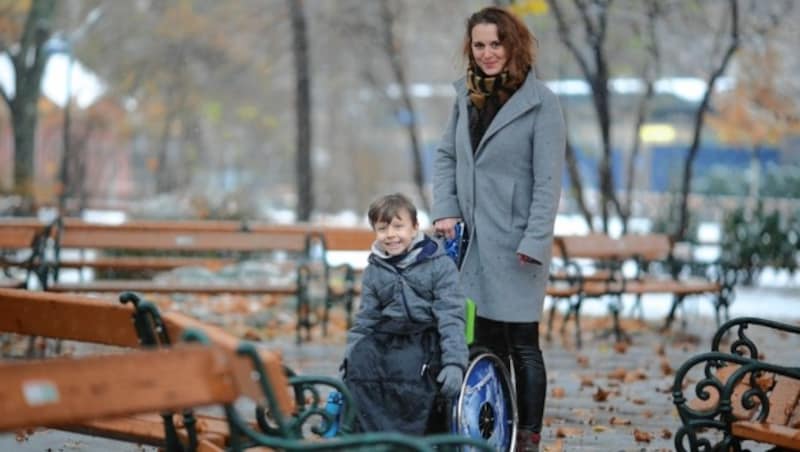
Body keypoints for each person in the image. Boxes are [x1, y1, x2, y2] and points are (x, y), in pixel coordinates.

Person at [432, 6, 566, 452]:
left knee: (523, 344)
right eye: (479, 45)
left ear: (513, 45)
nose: (488, 53)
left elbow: (548, 181)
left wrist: (534, 240)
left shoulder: (541, 102)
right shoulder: (464, 97)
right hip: (470, 243)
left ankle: (528, 438)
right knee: (482, 342)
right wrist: (445, 210)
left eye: (496, 43)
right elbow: (446, 157)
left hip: (517, 245)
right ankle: (492, 431)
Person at [341, 193, 468, 435]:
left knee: (406, 367)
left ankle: (404, 436)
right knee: (363, 360)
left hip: (426, 333)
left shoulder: (439, 265)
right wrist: (351, 356)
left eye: (398, 226)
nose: (391, 235)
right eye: (382, 228)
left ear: (415, 228)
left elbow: (451, 316)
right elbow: (366, 319)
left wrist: (455, 363)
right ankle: (368, 436)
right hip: (388, 333)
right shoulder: (374, 270)